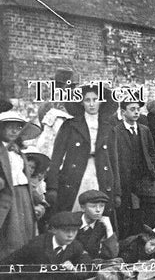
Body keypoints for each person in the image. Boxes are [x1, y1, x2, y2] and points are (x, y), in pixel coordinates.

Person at [47, 84, 120, 215]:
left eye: (95, 99)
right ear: (81, 103)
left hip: (100, 174)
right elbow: (56, 157)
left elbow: (114, 160)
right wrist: (52, 187)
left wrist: (117, 192)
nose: (92, 104)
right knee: (75, 211)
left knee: (98, 211)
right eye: (87, 100)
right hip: (75, 174)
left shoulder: (109, 127)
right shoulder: (70, 125)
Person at [108, 97, 155, 239]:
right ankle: (129, 245)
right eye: (132, 109)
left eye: (138, 109)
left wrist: (149, 169)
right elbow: (112, 158)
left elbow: (152, 153)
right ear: (123, 112)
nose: (136, 112)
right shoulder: (116, 131)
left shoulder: (144, 130)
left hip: (142, 181)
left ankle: (151, 237)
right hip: (124, 181)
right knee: (126, 216)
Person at [1, 211, 91, 279]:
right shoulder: (37, 245)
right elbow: (7, 265)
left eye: (74, 231)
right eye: (66, 230)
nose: (71, 235)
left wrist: (75, 270)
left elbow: (86, 264)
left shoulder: (76, 246)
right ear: (54, 230)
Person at [0, 111, 42, 259]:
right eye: (9, 127)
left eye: (17, 128)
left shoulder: (20, 153)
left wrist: (39, 201)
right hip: (6, 197)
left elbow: (26, 179)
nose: (13, 131)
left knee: (26, 231)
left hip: (23, 196)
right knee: (11, 234)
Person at [75, 190, 118, 260]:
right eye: (93, 206)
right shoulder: (72, 221)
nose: (98, 210)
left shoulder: (103, 224)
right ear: (83, 208)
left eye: (102, 206)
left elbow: (112, 254)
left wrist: (109, 229)